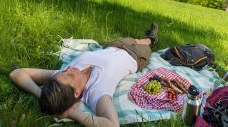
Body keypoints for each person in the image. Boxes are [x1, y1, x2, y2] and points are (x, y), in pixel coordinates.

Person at [9, 23, 159, 127]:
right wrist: (74, 114)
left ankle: (144, 38)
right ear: (76, 92)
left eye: (64, 72)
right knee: (144, 44)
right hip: (134, 56)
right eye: (69, 76)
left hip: (112, 46)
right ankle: (151, 39)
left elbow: (17, 73)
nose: (68, 69)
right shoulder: (97, 92)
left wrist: (42, 93)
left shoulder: (58, 79)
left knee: (134, 39)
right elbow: (113, 124)